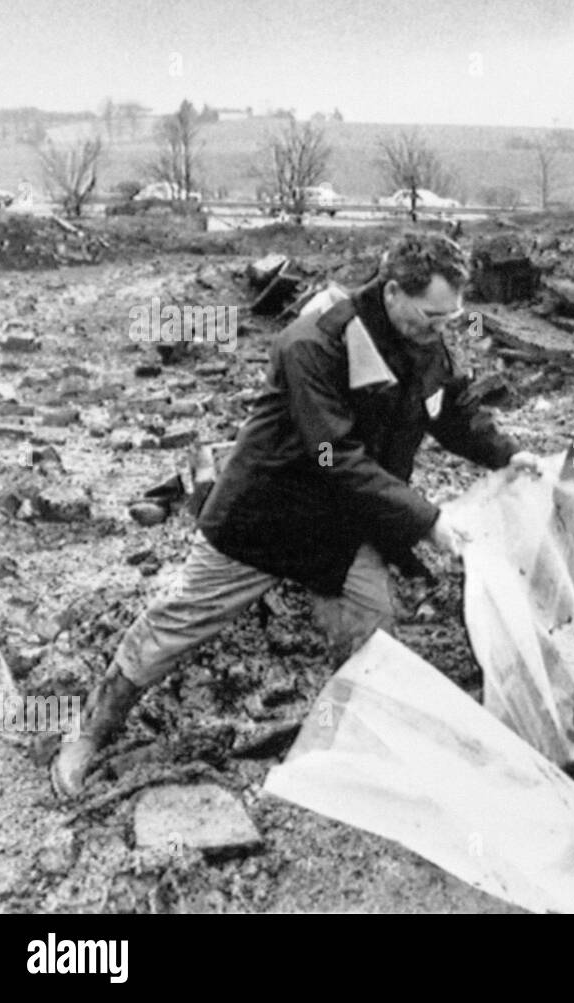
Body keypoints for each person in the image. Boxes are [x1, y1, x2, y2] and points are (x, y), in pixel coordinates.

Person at [50, 232, 540, 798]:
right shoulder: (314, 344)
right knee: (176, 625)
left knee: (371, 626)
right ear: (393, 293)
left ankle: (349, 744)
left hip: (344, 523)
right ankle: (89, 731)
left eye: (451, 316)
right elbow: (334, 454)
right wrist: (426, 520)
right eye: (432, 314)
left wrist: (505, 454)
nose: (442, 327)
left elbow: (452, 412)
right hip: (266, 516)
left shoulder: (426, 341)